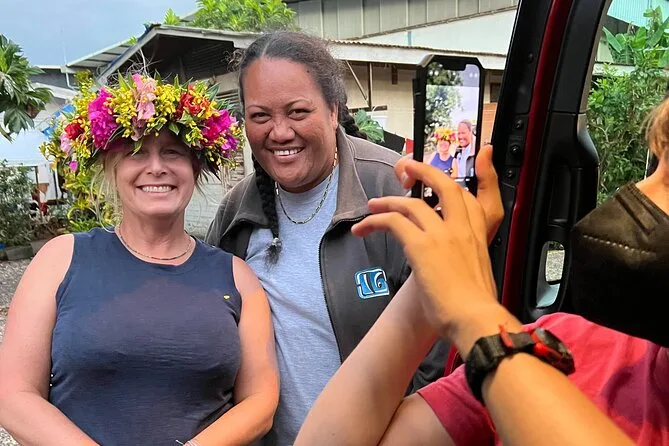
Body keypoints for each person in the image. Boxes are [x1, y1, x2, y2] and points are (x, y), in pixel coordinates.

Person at [295, 144, 645, 445]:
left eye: (668, 178)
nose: (639, 194)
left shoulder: (525, 349)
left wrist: (476, 317)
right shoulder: (567, 342)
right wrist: (437, 273)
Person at [0, 74, 279, 445]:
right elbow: (14, 394)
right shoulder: (60, 259)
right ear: (111, 167)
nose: (156, 167)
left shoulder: (236, 277)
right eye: (136, 152)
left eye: (173, 152)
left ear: (196, 169)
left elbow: (260, 401)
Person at [205, 31, 448, 445]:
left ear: (333, 110)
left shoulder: (393, 191)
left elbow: (440, 355)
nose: (280, 132)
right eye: (260, 116)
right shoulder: (237, 214)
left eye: (298, 112)